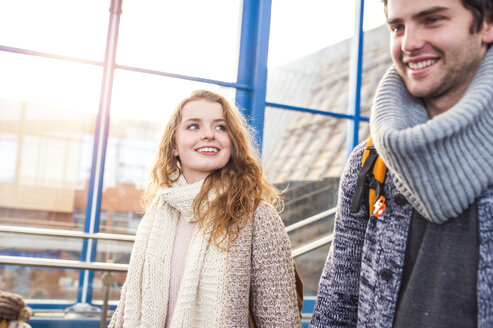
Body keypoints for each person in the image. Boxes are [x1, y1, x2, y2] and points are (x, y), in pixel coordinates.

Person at [311, 0, 493, 327]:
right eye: (397, 27)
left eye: (432, 19)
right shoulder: (370, 163)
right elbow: (339, 301)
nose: (408, 43)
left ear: (487, 24)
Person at [108, 90, 301, 327]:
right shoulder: (158, 213)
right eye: (193, 126)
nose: (209, 134)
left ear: (233, 142)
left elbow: (280, 320)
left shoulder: (256, 215)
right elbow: (126, 307)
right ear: (174, 146)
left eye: (221, 127)